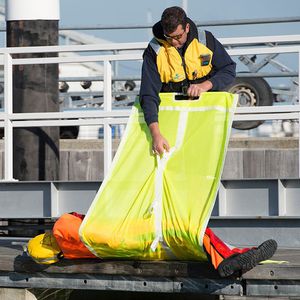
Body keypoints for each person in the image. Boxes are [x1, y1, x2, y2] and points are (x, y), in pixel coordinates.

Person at [139, 6, 277, 277]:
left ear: (186, 28)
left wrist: (206, 85)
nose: (174, 42)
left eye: (177, 37)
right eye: (170, 38)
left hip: (200, 125)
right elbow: (148, 94)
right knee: (171, 194)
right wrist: (155, 133)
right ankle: (224, 254)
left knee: (193, 191)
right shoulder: (155, 49)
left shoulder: (206, 40)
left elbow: (228, 70)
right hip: (167, 126)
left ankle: (223, 252)